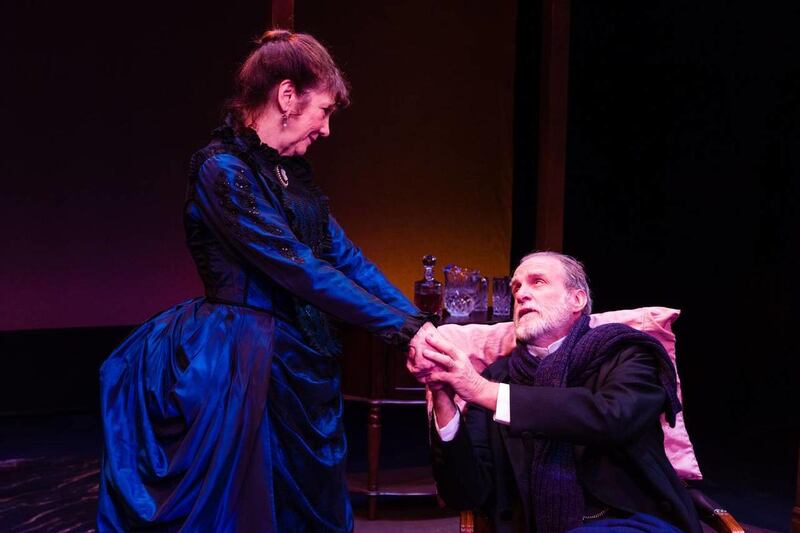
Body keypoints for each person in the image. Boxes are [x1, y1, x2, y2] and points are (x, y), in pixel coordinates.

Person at [98, 30, 425, 532]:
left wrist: (417, 324)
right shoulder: (222, 171)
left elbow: (345, 258)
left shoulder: (289, 176)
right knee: (247, 503)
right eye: (324, 111)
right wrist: (399, 329)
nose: (327, 130)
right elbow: (299, 268)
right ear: (287, 96)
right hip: (242, 359)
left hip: (299, 355)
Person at [410, 252, 702, 532]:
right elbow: (466, 494)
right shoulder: (498, 377)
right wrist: (443, 396)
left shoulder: (628, 354)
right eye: (516, 288)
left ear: (577, 299)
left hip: (636, 520)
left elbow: (611, 417)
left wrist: (481, 390)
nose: (521, 294)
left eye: (537, 282)